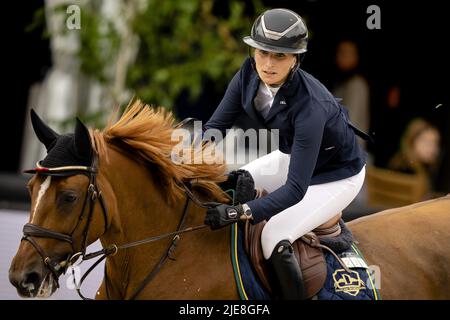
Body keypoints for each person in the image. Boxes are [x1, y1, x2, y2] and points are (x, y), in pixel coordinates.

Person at [202, 8, 367, 299]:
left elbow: (294, 189)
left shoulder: (311, 106)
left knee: (273, 235)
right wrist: (185, 165)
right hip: (294, 156)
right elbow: (216, 127)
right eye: (262, 52)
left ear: (296, 59)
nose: (267, 63)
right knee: (234, 184)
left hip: (337, 175)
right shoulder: (247, 74)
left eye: (279, 55)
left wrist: (239, 212)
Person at [388, 118, 441, 199]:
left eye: (435, 143)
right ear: (411, 141)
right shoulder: (405, 170)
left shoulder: (423, 167)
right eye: (426, 142)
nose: (432, 148)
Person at [332, 40, 370, 149]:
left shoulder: (357, 85)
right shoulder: (340, 84)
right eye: (340, 53)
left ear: (356, 58)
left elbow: (350, 121)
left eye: (346, 54)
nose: (341, 57)